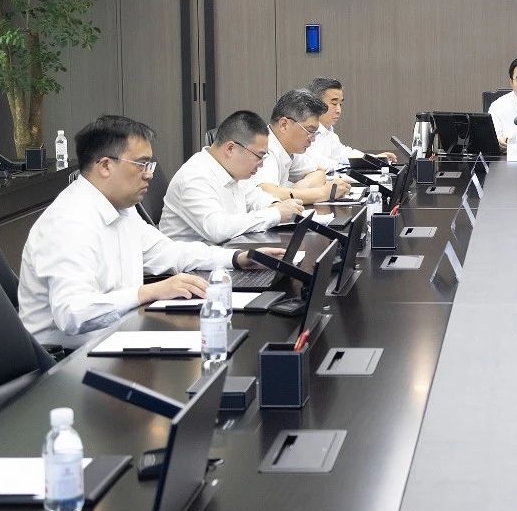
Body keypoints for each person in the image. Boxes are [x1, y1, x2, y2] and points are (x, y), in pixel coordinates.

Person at [18, 115, 281, 340]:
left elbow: (172, 253)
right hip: (66, 360)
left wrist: (237, 258)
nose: (150, 174)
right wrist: (150, 291)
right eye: (141, 164)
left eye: (150, 165)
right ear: (105, 165)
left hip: (120, 335)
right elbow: (73, 313)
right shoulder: (69, 222)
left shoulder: (122, 209)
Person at [160, 110, 305, 243]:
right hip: (195, 260)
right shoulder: (194, 178)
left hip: (228, 250)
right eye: (259, 156)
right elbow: (218, 229)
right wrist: (275, 214)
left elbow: (255, 197)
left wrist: (276, 205)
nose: (261, 165)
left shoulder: (233, 170)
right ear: (230, 148)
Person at [252, 89, 348, 204]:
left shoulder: (289, 148)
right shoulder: (265, 149)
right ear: (284, 125)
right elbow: (268, 193)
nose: (312, 139)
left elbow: (319, 172)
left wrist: (298, 190)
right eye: (310, 131)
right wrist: (323, 193)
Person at [291, 76, 398, 179]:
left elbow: (343, 154)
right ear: (316, 104)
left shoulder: (328, 130)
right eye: (334, 103)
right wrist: (341, 166)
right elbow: (316, 162)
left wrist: (373, 159)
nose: (338, 110)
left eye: (340, 104)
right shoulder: (305, 131)